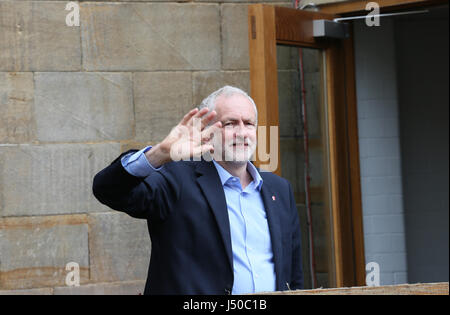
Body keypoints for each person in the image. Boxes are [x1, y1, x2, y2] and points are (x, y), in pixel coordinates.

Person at [92, 86, 303, 295]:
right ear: (207, 132)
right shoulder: (176, 180)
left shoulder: (279, 189)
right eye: (230, 124)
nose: (242, 133)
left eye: (248, 124)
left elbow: (292, 275)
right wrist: (159, 154)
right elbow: (108, 190)